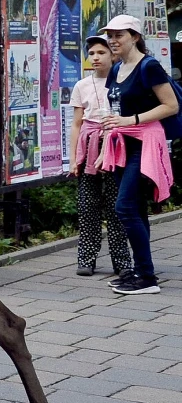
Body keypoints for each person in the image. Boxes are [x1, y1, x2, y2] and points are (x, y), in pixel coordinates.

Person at [99, 14, 178, 295]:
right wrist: (107, 142)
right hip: (123, 143)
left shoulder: (149, 66)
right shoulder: (116, 69)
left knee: (124, 207)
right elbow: (115, 108)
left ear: (134, 37)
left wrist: (131, 120)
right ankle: (142, 271)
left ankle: (147, 279)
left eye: (119, 35)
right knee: (135, 208)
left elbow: (171, 106)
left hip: (145, 143)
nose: (112, 40)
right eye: (110, 35)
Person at [68, 35, 131, 277]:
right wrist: (73, 159)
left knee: (117, 206)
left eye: (101, 52)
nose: (95, 57)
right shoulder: (82, 85)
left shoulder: (123, 81)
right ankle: (86, 258)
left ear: (113, 55)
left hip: (116, 145)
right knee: (87, 205)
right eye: (92, 53)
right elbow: (76, 124)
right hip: (89, 146)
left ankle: (121, 261)